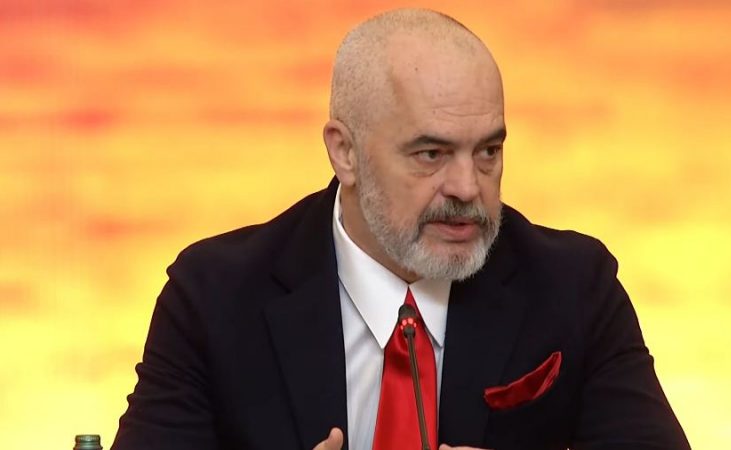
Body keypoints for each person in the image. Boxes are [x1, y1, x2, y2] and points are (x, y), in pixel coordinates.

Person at [112, 8, 690, 450]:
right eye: (431, 154)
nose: (467, 187)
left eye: (488, 151)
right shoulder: (213, 298)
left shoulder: (575, 287)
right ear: (345, 153)